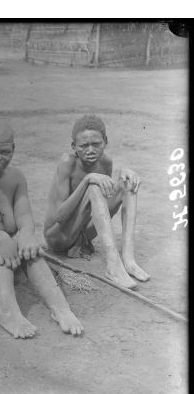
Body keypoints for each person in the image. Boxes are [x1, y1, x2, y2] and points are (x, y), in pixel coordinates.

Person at [0, 120, 83, 338]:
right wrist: (3, 239)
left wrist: (26, 234)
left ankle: (61, 308)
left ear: (13, 150)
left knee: (29, 248)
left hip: (8, 255)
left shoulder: (16, 178)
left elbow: (24, 215)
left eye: (4, 152)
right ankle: (6, 311)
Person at [44, 115, 150, 289]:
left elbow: (101, 209)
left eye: (96, 144)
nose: (90, 150)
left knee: (127, 181)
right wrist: (88, 180)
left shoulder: (106, 162)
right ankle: (113, 266)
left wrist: (122, 177)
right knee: (93, 186)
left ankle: (129, 260)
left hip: (81, 235)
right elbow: (60, 216)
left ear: (105, 141)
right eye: (84, 146)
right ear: (74, 146)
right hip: (58, 236)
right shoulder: (67, 163)